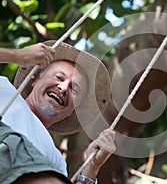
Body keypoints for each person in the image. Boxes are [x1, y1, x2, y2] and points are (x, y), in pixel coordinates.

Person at [0, 41, 116, 183]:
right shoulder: (4, 90)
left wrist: (91, 168)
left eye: (74, 89)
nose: (63, 87)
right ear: (35, 79)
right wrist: (17, 56)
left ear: (73, 111)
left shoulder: (56, 161)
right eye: (59, 77)